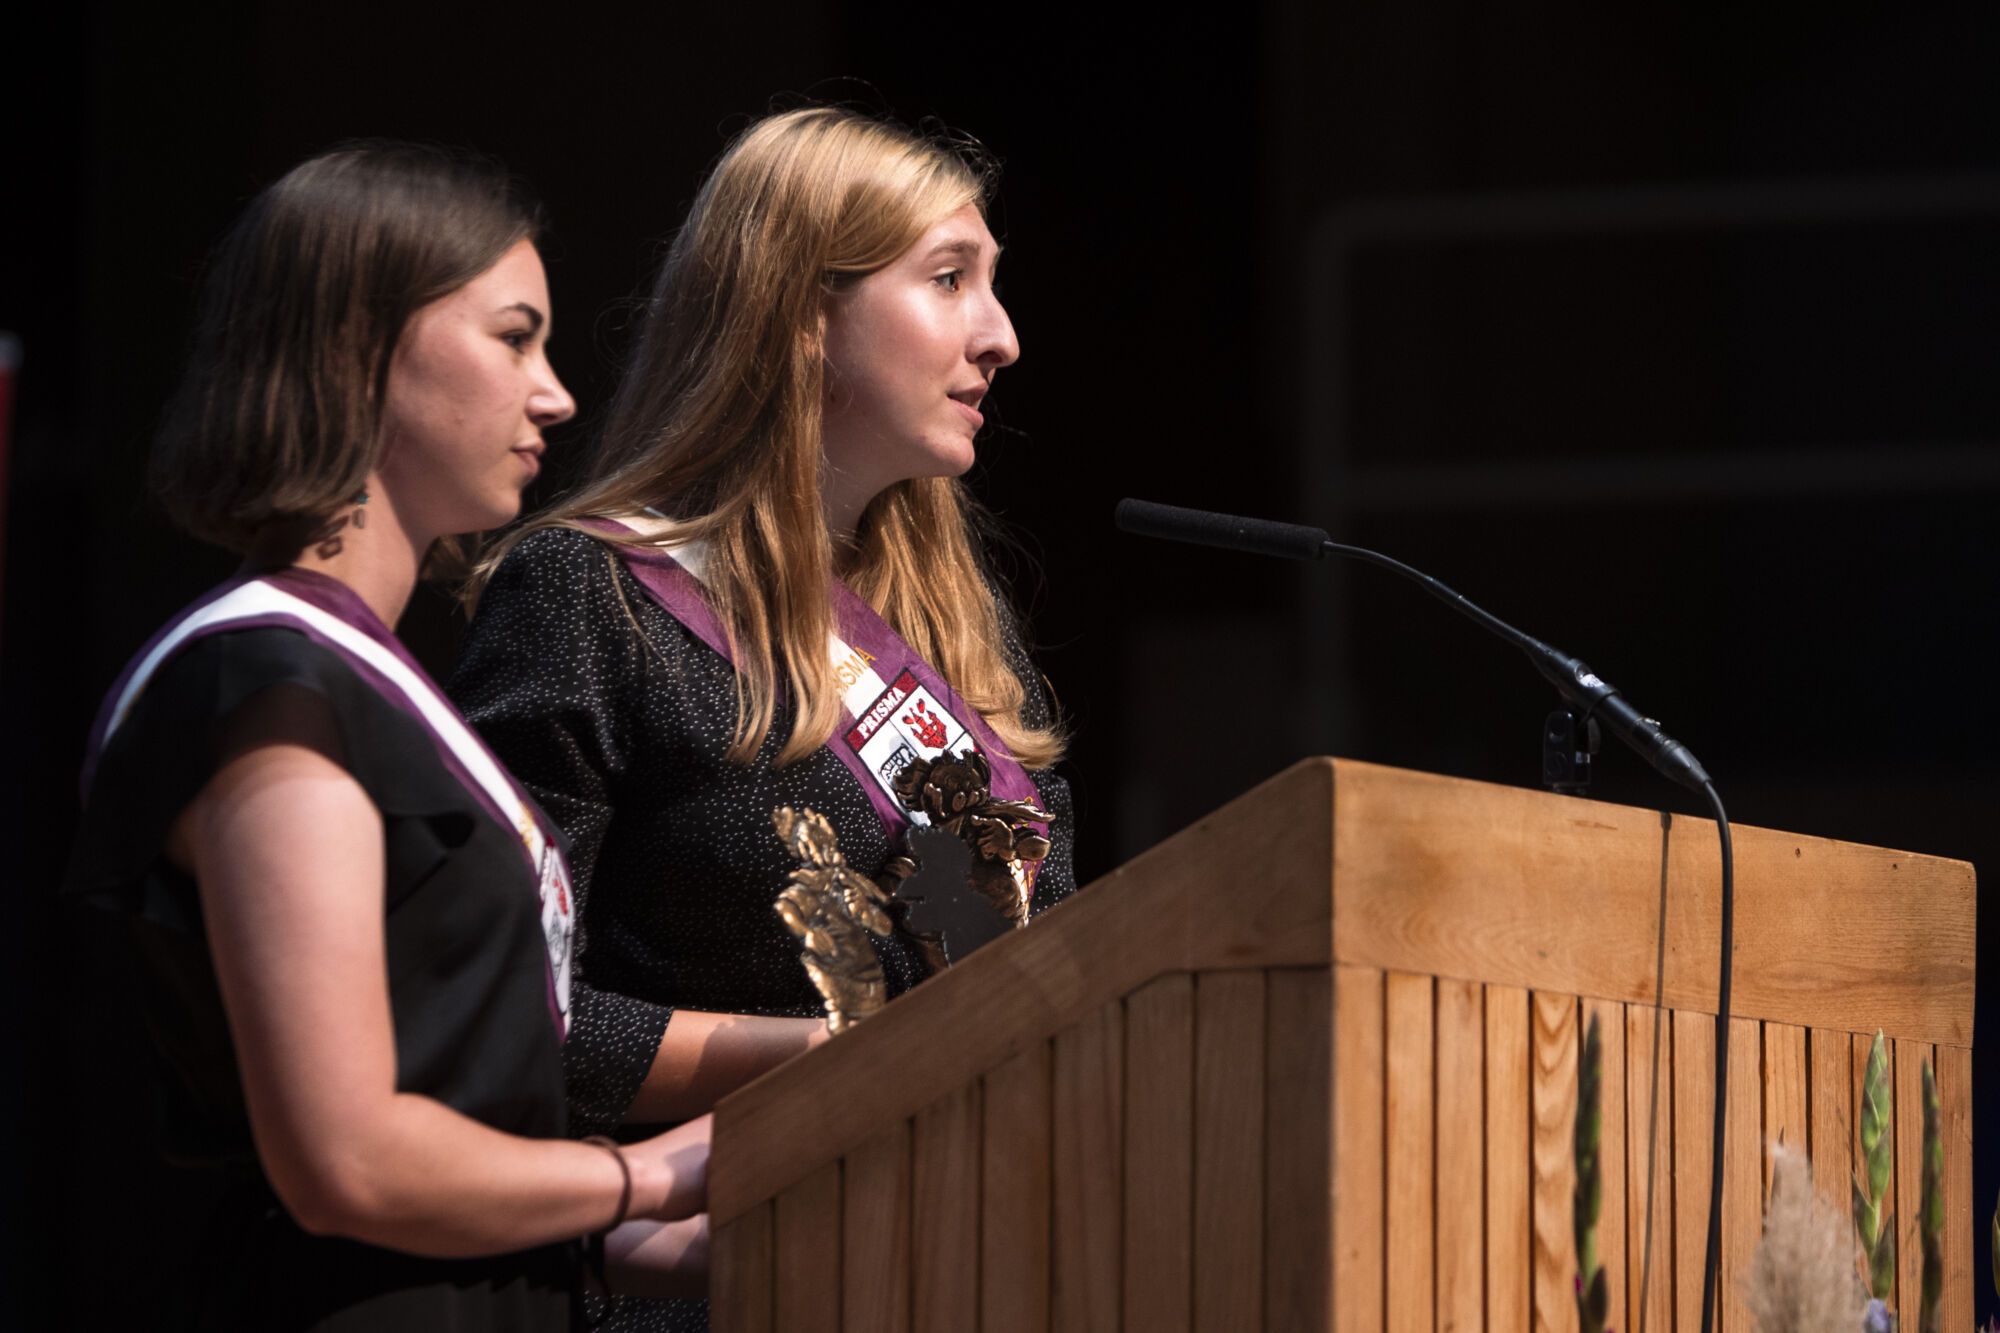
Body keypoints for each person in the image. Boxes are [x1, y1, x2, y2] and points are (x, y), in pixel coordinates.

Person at [63, 143, 710, 1332]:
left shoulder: (367, 682)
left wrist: (688, 1227)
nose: (557, 394)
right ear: (360, 347)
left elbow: (452, 1164)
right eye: (514, 338)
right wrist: (652, 1171)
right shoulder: (265, 684)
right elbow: (348, 1162)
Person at [450, 106, 1076, 1331]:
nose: (999, 337)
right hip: (708, 1284)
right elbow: (503, 1017)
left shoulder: (955, 646)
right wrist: (816, 1064)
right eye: (948, 279)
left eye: (991, 287)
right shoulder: (593, 598)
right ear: (799, 313)